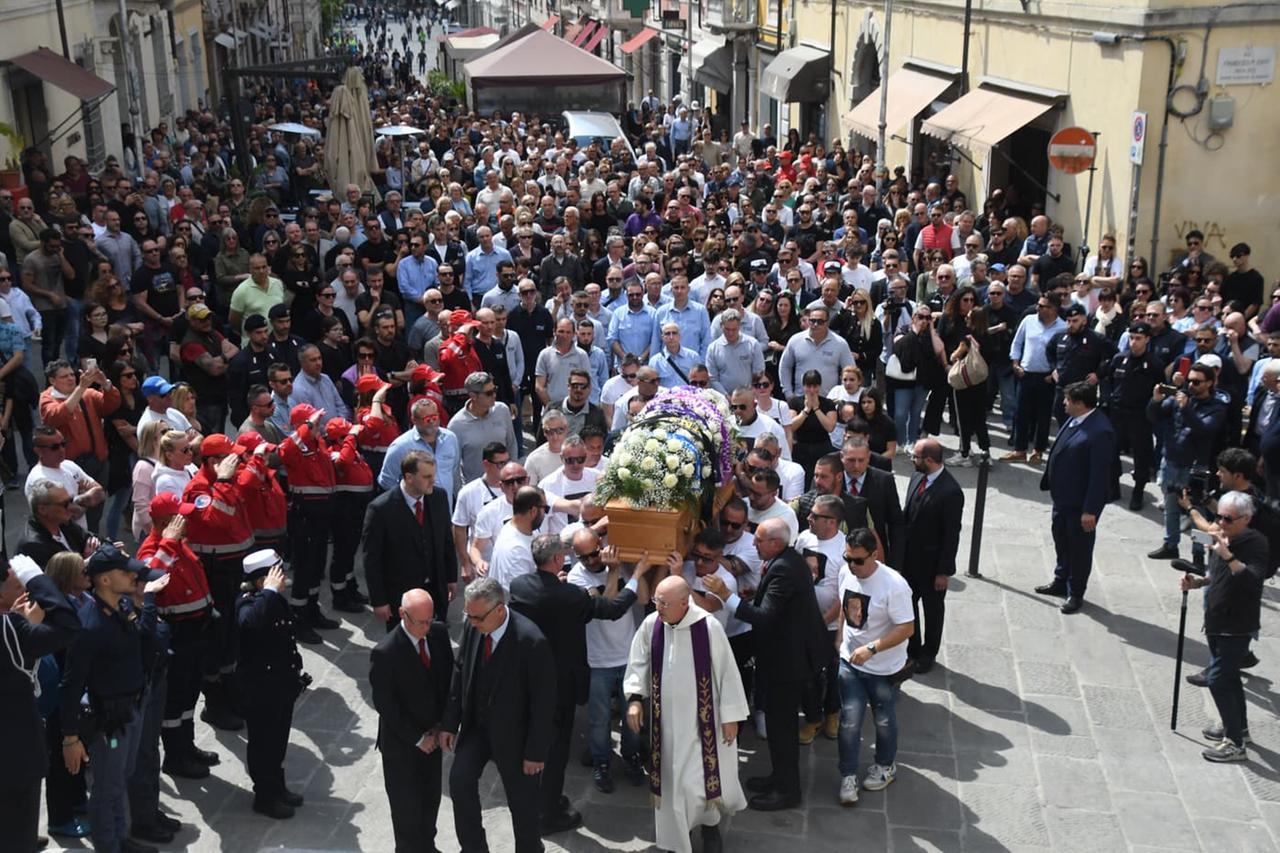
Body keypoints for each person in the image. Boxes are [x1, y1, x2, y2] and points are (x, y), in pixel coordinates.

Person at [510, 534, 649, 834]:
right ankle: (547, 814)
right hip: (558, 684)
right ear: (559, 560)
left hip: (527, 680)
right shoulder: (570, 596)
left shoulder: (520, 586)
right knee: (556, 750)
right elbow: (611, 610)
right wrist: (636, 576)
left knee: (535, 743)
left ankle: (543, 800)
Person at [701, 517, 827, 811]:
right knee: (774, 721)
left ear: (776, 543)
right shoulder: (785, 561)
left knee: (782, 727)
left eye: (758, 539)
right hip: (782, 656)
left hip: (788, 662)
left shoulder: (783, 568)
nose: (752, 543)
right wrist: (754, 597)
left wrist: (726, 595)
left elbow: (765, 617)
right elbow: (774, 606)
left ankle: (787, 790)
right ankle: (778, 777)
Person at [623, 575, 748, 853]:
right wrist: (634, 699)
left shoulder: (708, 628)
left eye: (665, 603)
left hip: (702, 724)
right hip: (664, 725)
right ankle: (674, 841)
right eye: (657, 600)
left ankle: (710, 827)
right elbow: (638, 661)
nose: (658, 607)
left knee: (700, 782)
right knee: (671, 786)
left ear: (684, 602)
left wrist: (731, 717)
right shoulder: (651, 624)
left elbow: (727, 673)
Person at [58, 544, 168, 853]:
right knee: (106, 790)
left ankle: (121, 838)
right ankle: (109, 845)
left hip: (132, 707)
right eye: (125, 571)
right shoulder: (90, 626)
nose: (133, 575)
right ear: (104, 580)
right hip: (110, 719)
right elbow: (70, 685)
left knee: (122, 779)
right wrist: (70, 738)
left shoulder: (120, 607)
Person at [440, 577, 556, 853]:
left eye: (478, 617)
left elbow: (544, 701)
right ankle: (473, 848)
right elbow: (460, 670)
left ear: (499, 610)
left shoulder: (531, 641)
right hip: (478, 728)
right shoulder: (474, 626)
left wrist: (535, 752)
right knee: (459, 780)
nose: (472, 622)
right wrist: (449, 723)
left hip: (516, 737)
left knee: (523, 804)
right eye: (469, 615)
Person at [1177, 492, 1268, 762]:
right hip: (1216, 619)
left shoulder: (1256, 543)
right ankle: (1238, 728)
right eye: (1219, 516)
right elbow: (1215, 573)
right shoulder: (1219, 536)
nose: (1221, 522)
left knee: (1217, 679)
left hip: (1238, 624)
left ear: (1246, 519)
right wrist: (1198, 583)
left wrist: (1227, 554)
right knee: (1228, 677)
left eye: (1228, 518)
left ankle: (1235, 745)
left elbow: (1252, 579)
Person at [0, 553, 80, 853]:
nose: (25, 590)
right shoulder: (12, 631)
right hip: (14, 755)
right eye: (18, 583)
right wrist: (38, 578)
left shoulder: (14, 628)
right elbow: (68, 626)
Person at [369, 588, 454, 853]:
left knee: (430, 801)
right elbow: (386, 705)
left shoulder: (438, 634)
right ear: (403, 615)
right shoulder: (386, 652)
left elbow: (449, 682)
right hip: (403, 746)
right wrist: (418, 739)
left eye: (431, 620)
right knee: (406, 809)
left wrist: (444, 725)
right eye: (422, 622)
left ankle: (428, 846)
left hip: (433, 737)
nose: (427, 627)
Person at [834, 527, 914, 804]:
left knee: (883, 719)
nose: (852, 566)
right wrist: (840, 637)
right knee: (849, 721)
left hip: (883, 668)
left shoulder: (894, 585)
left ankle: (885, 765)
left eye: (858, 560)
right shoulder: (846, 573)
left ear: (874, 555)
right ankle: (848, 775)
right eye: (847, 559)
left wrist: (872, 648)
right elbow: (844, 605)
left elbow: (906, 627)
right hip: (850, 662)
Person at [236, 549, 309, 818]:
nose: (283, 578)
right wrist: (268, 592)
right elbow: (249, 624)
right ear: (261, 581)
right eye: (276, 573)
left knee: (278, 740)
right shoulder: (249, 601)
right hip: (261, 688)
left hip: (281, 683)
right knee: (263, 743)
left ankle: (277, 787)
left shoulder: (273, 599)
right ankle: (264, 796)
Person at [1034, 382, 1116, 614]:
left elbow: (1100, 476)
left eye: (1067, 400)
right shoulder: (1076, 419)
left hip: (1080, 505)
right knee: (1062, 541)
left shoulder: (1100, 432)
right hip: (1063, 499)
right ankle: (1061, 580)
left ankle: (1075, 592)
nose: (1063, 403)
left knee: (1079, 549)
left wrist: (1090, 510)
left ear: (1080, 404)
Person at [364, 450, 458, 628]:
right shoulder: (381, 509)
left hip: (435, 590)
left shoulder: (438, 497)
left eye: (433, 475)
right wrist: (379, 600)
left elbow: (446, 540)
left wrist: (451, 577)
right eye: (426, 476)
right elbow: (372, 559)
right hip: (401, 596)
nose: (433, 481)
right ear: (409, 477)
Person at [1147, 362, 1228, 560]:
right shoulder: (1179, 398)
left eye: (1197, 382)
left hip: (1194, 467)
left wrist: (1186, 410)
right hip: (1171, 460)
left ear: (1209, 383)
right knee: (1171, 505)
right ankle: (1170, 544)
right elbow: (1153, 417)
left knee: (1197, 511)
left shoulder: (1216, 406)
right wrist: (1156, 401)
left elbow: (1205, 430)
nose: (1191, 385)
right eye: (1189, 380)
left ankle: (1198, 555)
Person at [901, 439, 964, 673]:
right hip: (909, 560)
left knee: (933, 610)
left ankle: (929, 652)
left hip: (931, 565)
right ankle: (912, 646)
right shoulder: (917, 477)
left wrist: (944, 571)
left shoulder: (951, 492)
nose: (911, 460)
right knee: (907, 605)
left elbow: (951, 535)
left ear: (929, 460)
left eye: (915, 457)